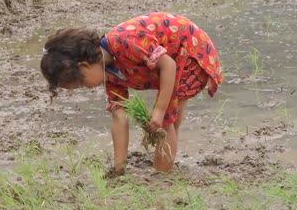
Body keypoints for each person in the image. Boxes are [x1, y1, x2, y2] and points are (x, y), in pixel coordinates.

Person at [40, 12, 222, 175]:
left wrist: (159, 110)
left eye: (81, 83)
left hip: (191, 52)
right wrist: (119, 168)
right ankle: (165, 166)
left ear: (84, 65)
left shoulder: (124, 42)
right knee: (169, 120)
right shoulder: (109, 73)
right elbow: (119, 117)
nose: (86, 88)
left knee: (165, 122)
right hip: (173, 62)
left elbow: (168, 65)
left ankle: (162, 178)